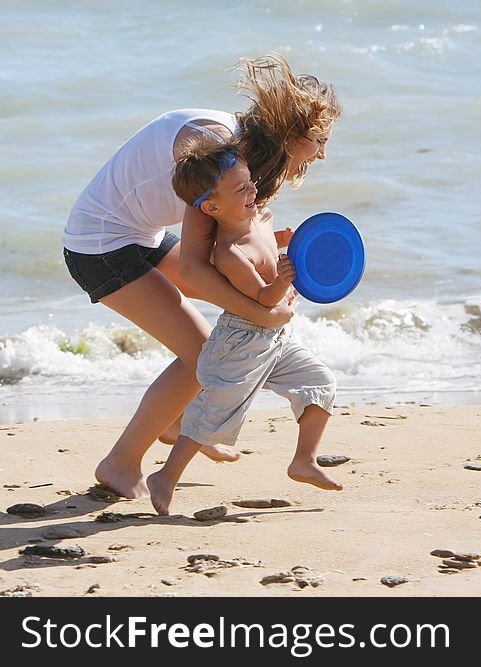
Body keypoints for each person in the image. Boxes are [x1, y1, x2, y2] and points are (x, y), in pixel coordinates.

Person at [62, 53, 340, 499]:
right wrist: (262, 313)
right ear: (292, 132)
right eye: (320, 140)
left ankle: (173, 422)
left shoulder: (239, 152)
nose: (323, 153)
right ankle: (120, 464)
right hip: (102, 246)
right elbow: (196, 265)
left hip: (140, 235)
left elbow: (229, 247)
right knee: (203, 357)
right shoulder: (215, 150)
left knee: (219, 336)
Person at [146, 139, 342, 515]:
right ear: (212, 207)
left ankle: (304, 460)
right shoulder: (230, 253)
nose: (253, 190)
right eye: (242, 189)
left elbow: (269, 244)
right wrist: (283, 281)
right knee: (213, 415)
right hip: (241, 340)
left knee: (320, 383)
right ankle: (165, 477)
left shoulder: (260, 217)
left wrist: (288, 241)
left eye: (250, 182)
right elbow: (262, 302)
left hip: (276, 339)